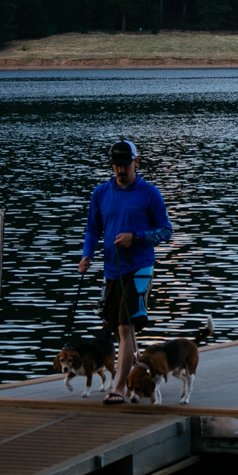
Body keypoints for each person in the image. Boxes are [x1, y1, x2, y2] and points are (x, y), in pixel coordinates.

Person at [78, 139, 172, 404]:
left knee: (124, 327)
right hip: (112, 270)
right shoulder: (101, 193)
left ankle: (119, 387)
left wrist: (136, 237)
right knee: (116, 327)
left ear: (136, 162)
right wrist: (87, 254)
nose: (121, 170)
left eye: (126, 164)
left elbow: (166, 230)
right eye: (116, 165)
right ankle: (137, 370)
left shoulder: (149, 193)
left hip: (139, 268)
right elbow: (92, 230)